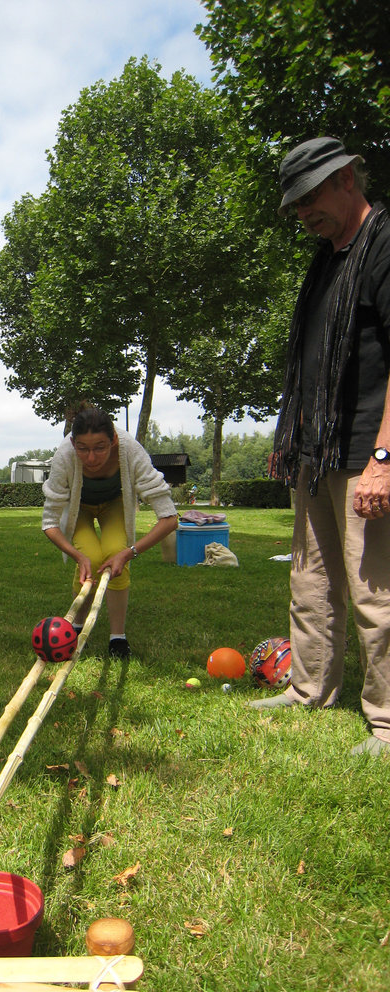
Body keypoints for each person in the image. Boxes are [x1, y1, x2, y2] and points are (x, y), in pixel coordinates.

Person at [249, 137, 390, 757]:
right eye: (295, 204)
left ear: (347, 179)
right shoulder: (328, 258)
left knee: (374, 591)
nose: (303, 212)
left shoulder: (383, 244)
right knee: (311, 580)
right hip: (315, 451)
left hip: (365, 451)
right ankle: (309, 688)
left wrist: (383, 461)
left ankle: (387, 721)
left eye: (310, 197)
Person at [41, 405, 178, 658]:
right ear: (73, 443)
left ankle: (118, 638)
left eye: (100, 448)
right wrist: (77, 556)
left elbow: (169, 518)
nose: (91, 458)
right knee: (91, 557)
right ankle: (76, 626)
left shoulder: (130, 449)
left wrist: (129, 553)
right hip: (78, 508)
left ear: (113, 440)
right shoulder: (64, 455)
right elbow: (49, 523)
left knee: (115, 553)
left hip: (115, 504)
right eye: (83, 448)